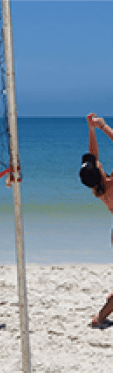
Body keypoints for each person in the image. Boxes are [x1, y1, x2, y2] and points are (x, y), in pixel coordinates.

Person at [80, 113, 113, 327]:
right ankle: (99, 318)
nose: (99, 163)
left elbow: (93, 156)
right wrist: (104, 127)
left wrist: (91, 130)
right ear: (100, 171)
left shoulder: (99, 188)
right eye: (97, 165)